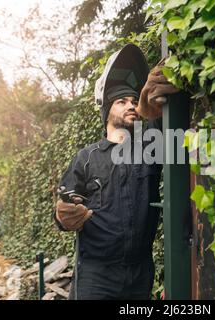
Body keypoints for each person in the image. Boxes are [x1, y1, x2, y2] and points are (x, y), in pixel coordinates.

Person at [53, 44, 179, 300]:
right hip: (96, 275)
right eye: (121, 102)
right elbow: (64, 207)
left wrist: (153, 104)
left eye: (134, 101)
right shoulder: (86, 158)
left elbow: (159, 121)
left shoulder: (149, 149)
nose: (130, 105)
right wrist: (62, 216)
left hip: (140, 272)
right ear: (106, 110)